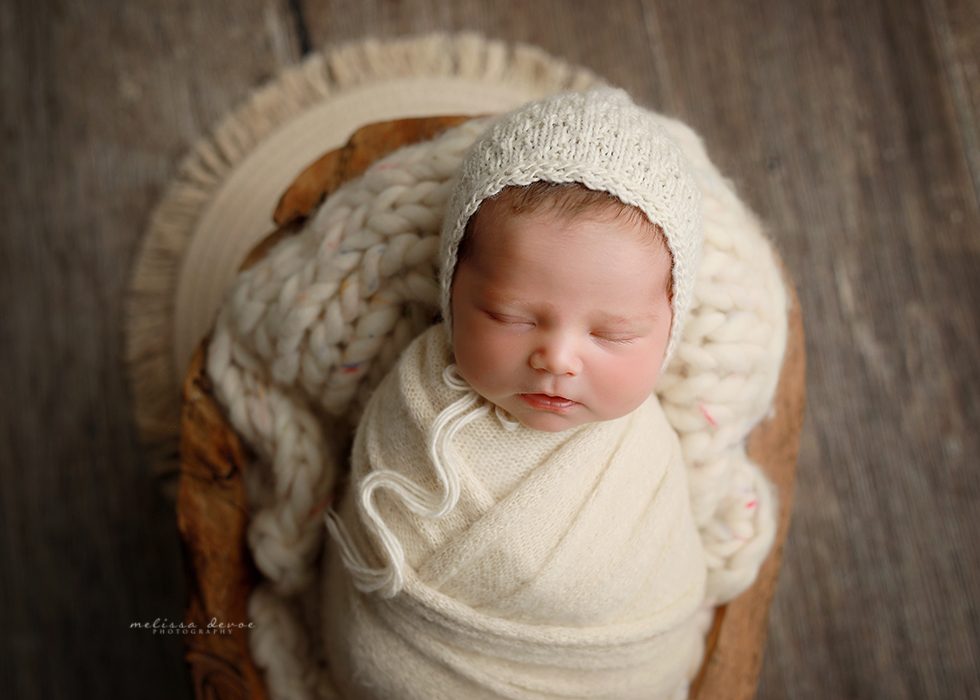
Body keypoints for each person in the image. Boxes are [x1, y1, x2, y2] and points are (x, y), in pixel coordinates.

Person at [322, 87, 709, 700]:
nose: (557, 358)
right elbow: (371, 557)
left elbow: (664, 606)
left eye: (613, 334)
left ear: (668, 333)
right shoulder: (418, 408)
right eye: (511, 316)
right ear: (450, 291)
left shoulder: (648, 460)